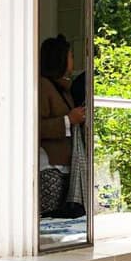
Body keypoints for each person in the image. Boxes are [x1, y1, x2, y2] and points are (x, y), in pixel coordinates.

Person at [39, 34, 85, 216]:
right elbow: (35, 127)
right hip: (49, 168)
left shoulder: (63, 89)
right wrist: (68, 120)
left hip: (64, 166)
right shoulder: (43, 86)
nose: (73, 60)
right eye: (71, 56)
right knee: (49, 216)